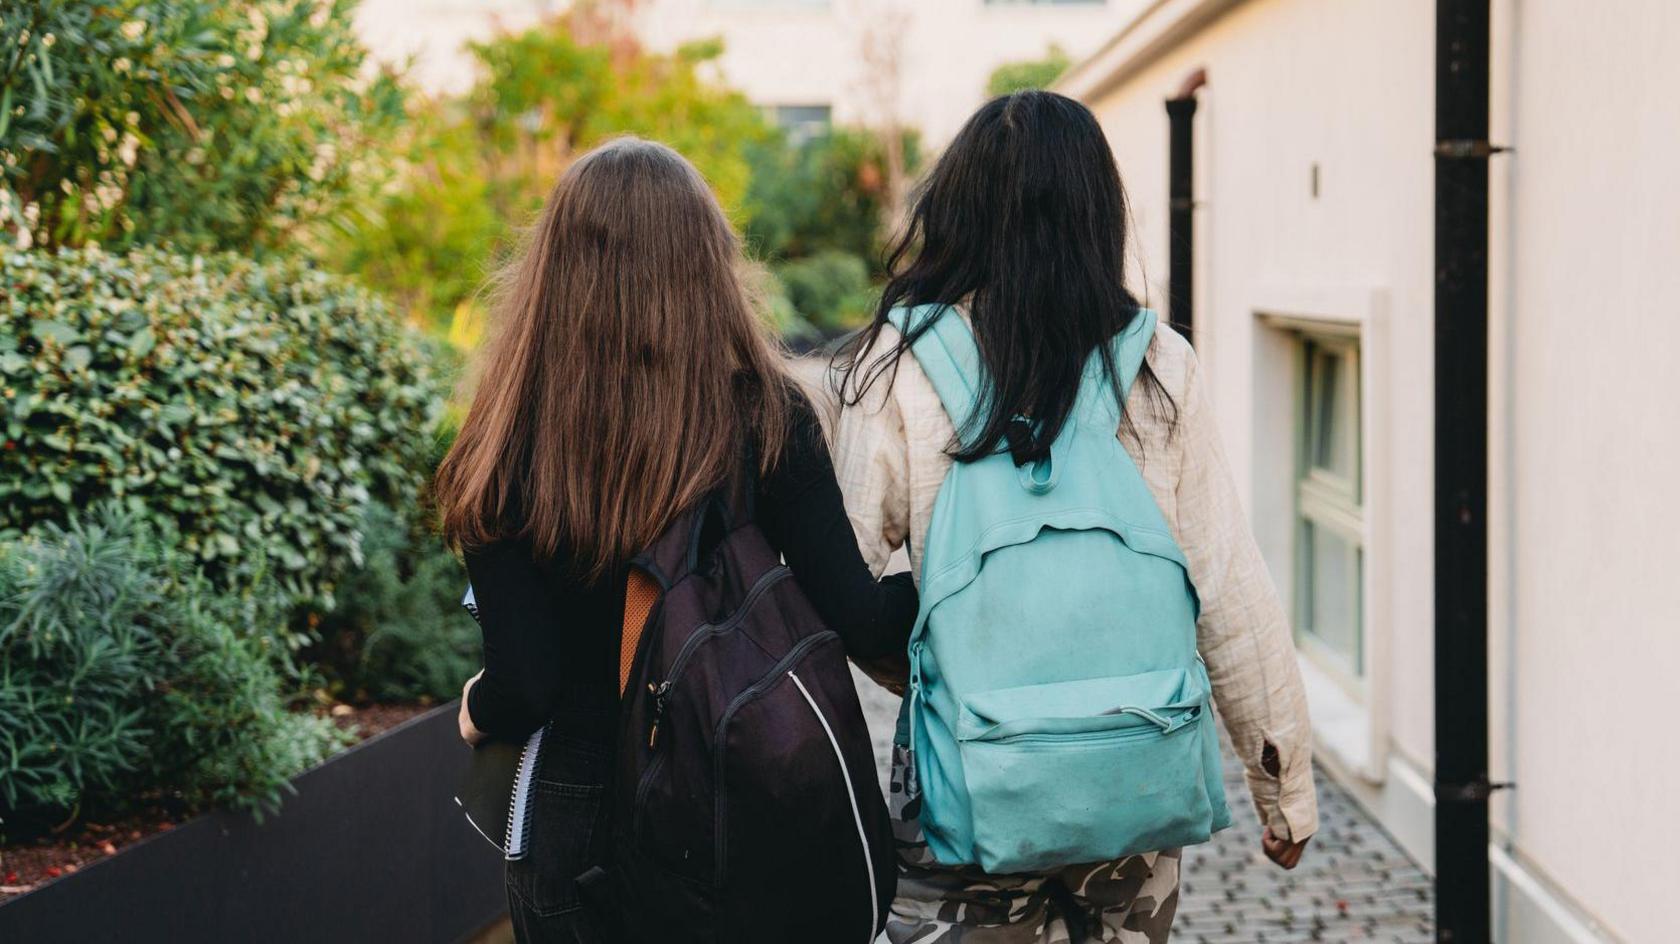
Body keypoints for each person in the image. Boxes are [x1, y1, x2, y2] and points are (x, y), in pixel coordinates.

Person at [828, 91, 1318, 943]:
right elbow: (1228, 586)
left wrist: (945, 674)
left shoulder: (897, 363)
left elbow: (845, 583)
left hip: (966, 788)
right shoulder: (1158, 364)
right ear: (1099, 208)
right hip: (1131, 774)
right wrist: (1284, 786)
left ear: (958, 206)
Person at [434, 137, 918, 944]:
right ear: (708, 266)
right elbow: (864, 620)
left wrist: (473, 714)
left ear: (553, 269)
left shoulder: (513, 435)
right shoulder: (767, 418)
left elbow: (527, 686)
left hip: (575, 814)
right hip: (732, 800)